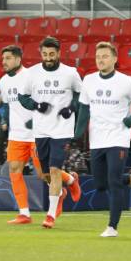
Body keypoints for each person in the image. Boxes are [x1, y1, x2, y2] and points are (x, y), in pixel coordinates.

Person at [74, 42, 131, 237]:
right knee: (100, 184)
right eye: (98, 56)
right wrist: (76, 133)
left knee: (113, 182)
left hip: (118, 137)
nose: (101, 59)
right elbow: (83, 109)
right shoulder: (89, 80)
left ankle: (112, 227)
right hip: (97, 139)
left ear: (115, 59)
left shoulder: (127, 81)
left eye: (105, 56)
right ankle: (130, 178)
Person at [18, 37, 83, 229]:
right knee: (44, 174)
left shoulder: (70, 73)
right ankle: (70, 181)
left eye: (52, 54)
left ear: (59, 53)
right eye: (45, 54)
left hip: (62, 129)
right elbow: (22, 97)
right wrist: (36, 105)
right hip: (41, 129)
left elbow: (81, 94)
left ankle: (50, 216)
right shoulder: (31, 73)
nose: (48, 57)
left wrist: (71, 108)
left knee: (55, 170)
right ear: (41, 54)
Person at [0, 45, 49, 225]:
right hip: (16, 134)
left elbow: (43, 102)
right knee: (14, 170)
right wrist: (4, 120)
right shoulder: (4, 81)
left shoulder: (31, 76)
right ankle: (24, 213)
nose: (4, 62)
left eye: (8, 58)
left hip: (36, 133)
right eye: (3, 59)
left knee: (43, 174)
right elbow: (7, 105)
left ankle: (70, 179)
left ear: (18, 59)